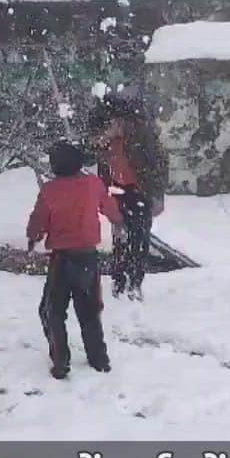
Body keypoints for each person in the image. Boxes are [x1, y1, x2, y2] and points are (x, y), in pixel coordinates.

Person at [27, 140, 123, 379]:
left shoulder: (50, 190)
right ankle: (99, 359)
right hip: (88, 258)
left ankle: (61, 360)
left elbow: (38, 221)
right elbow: (110, 209)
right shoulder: (93, 184)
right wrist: (119, 221)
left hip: (61, 260)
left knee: (53, 311)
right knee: (89, 311)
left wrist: (34, 236)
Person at [90, 91, 169, 301]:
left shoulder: (141, 136)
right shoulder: (107, 143)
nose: (100, 139)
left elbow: (158, 165)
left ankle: (135, 282)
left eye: (104, 131)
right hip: (117, 192)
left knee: (139, 239)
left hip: (140, 192)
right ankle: (119, 281)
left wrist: (157, 195)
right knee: (119, 239)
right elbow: (104, 170)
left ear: (116, 123)